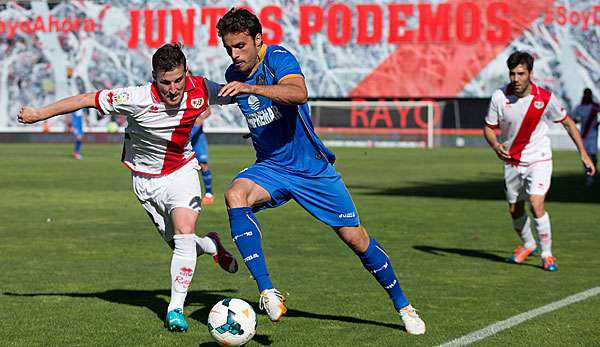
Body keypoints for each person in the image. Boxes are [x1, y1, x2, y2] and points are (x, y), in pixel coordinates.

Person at [215, 8, 426, 335]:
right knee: (234, 195)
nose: (235, 54)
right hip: (272, 167)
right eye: (229, 48)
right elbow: (262, 114)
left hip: (312, 170)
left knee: (356, 239)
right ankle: (268, 291)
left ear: (258, 40)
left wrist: (251, 89)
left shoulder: (278, 57)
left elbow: (298, 93)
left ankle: (403, 304)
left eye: (240, 45)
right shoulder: (234, 73)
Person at [17, 43, 238, 333]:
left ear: (186, 73)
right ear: (154, 77)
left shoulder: (201, 88)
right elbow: (86, 98)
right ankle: (210, 244)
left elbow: (238, 94)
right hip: (145, 182)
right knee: (180, 246)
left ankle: (174, 309)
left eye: (178, 81)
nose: (173, 89)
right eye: (165, 82)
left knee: (184, 235)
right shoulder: (134, 97)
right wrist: (39, 114)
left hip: (183, 171)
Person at [483, 51, 596, 272]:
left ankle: (547, 254)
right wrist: (496, 145)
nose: (516, 79)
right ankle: (528, 244)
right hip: (512, 161)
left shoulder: (545, 98)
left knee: (536, 203)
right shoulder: (499, 97)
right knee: (515, 210)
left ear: (530, 74)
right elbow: (488, 127)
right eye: (512, 74)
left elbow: (568, 123)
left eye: (521, 74)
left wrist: (582, 153)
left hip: (539, 158)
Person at [572, 88, 599, 186]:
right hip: (583, 135)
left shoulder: (595, 106)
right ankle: (587, 172)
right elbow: (573, 119)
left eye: (589, 94)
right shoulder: (579, 107)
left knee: (593, 156)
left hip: (593, 135)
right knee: (585, 155)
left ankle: (594, 170)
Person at [190, 107, 215, 205]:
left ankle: (209, 194)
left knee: (203, 164)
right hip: (184, 134)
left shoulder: (197, 94)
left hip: (197, 138)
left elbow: (208, 110)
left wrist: (202, 117)